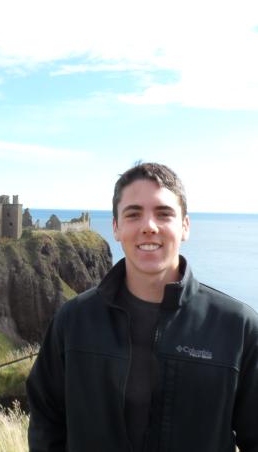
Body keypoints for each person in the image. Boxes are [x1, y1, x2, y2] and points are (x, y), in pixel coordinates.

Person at [26, 162, 258, 452]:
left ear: (184, 226)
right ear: (116, 228)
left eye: (164, 214)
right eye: (134, 214)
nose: (149, 227)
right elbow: (46, 422)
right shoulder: (73, 321)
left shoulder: (237, 327)